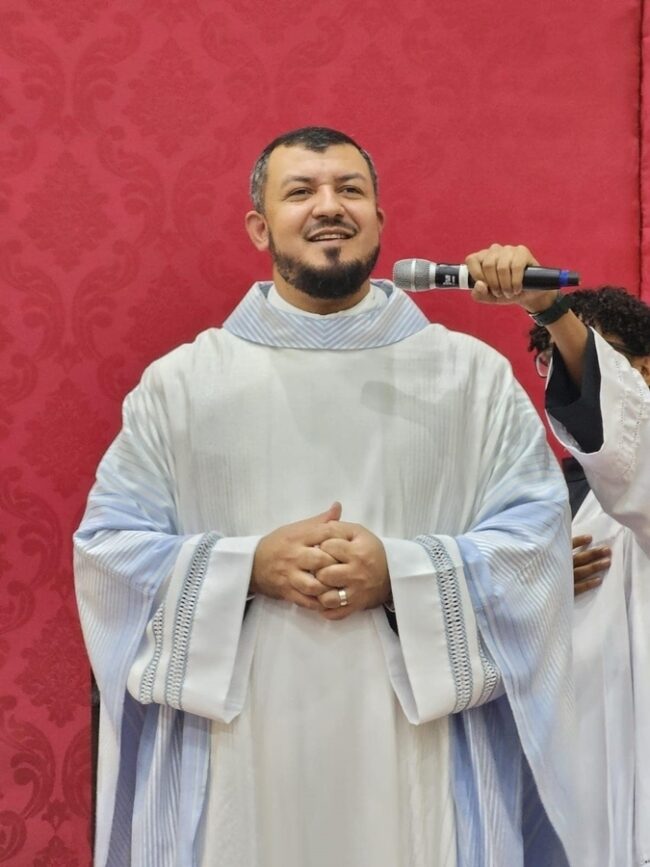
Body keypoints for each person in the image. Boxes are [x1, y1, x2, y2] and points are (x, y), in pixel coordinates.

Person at [74, 129, 581, 867]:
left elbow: (535, 542)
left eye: (350, 190)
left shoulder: (468, 377)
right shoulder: (182, 384)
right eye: (300, 191)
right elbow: (109, 551)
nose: (329, 206)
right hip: (239, 748)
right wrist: (249, 566)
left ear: (379, 219)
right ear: (260, 227)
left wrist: (400, 573)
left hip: (421, 749)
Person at [470, 257, 650, 867]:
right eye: (548, 359)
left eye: (590, 354)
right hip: (540, 747)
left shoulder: (639, 482)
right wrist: (524, 591)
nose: (564, 372)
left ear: (642, 371)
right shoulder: (523, 499)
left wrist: (550, 309)